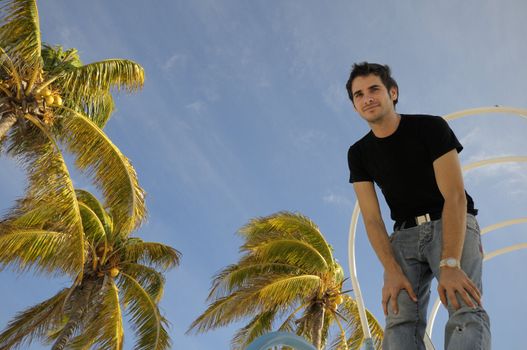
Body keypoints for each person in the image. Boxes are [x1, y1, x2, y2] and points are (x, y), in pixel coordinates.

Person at [346, 62, 491, 350]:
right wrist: (391, 270)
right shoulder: (358, 153)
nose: (367, 98)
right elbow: (372, 219)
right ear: (354, 105)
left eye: (374, 89)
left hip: (449, 222)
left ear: (393, 92)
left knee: (464, 307)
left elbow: (455, 195)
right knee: (399, 319)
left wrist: (450, 262)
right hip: (403, 237)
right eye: (358, 95)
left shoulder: (430, 127)